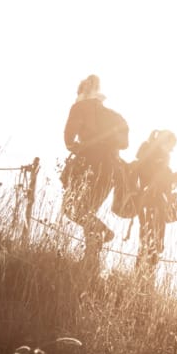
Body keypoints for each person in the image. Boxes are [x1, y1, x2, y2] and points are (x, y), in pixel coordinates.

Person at [61, 75, 128, 264]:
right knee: (88, 211)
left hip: (88, 167)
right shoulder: (116, 117)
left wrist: (81, 149)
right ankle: (90, 261)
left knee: (71, 208)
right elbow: (125, 144)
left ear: (82, 93)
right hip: (111, 171)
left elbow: (68, 140)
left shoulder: (79, 108)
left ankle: (102, 233)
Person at [133, 129, 177, 278]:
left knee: (147, 239)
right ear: (164, 142)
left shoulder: (149, 155)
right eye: (171, 146)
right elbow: (162, 178)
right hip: (154, 202)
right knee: (153, 241)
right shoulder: (158, 158)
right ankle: (145, 278)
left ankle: (142, 276)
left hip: (147, 202)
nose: (172, 150)